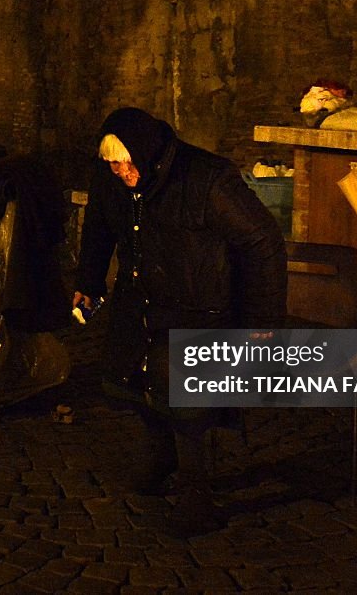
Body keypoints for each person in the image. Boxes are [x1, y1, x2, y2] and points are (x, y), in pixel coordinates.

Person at [72, 107, 287, 536]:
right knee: (133, 380)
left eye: (124, 161)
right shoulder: (113, 179)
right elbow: (98, 227)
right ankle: (160, 457)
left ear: (146, 155)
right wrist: (89, 282)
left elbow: (262, 242)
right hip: (140, 301)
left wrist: (262, 325)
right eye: (110, 163)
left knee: (187, 399)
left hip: (199, 306)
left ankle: (196, 493)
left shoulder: (207, 180)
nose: (118, 171)